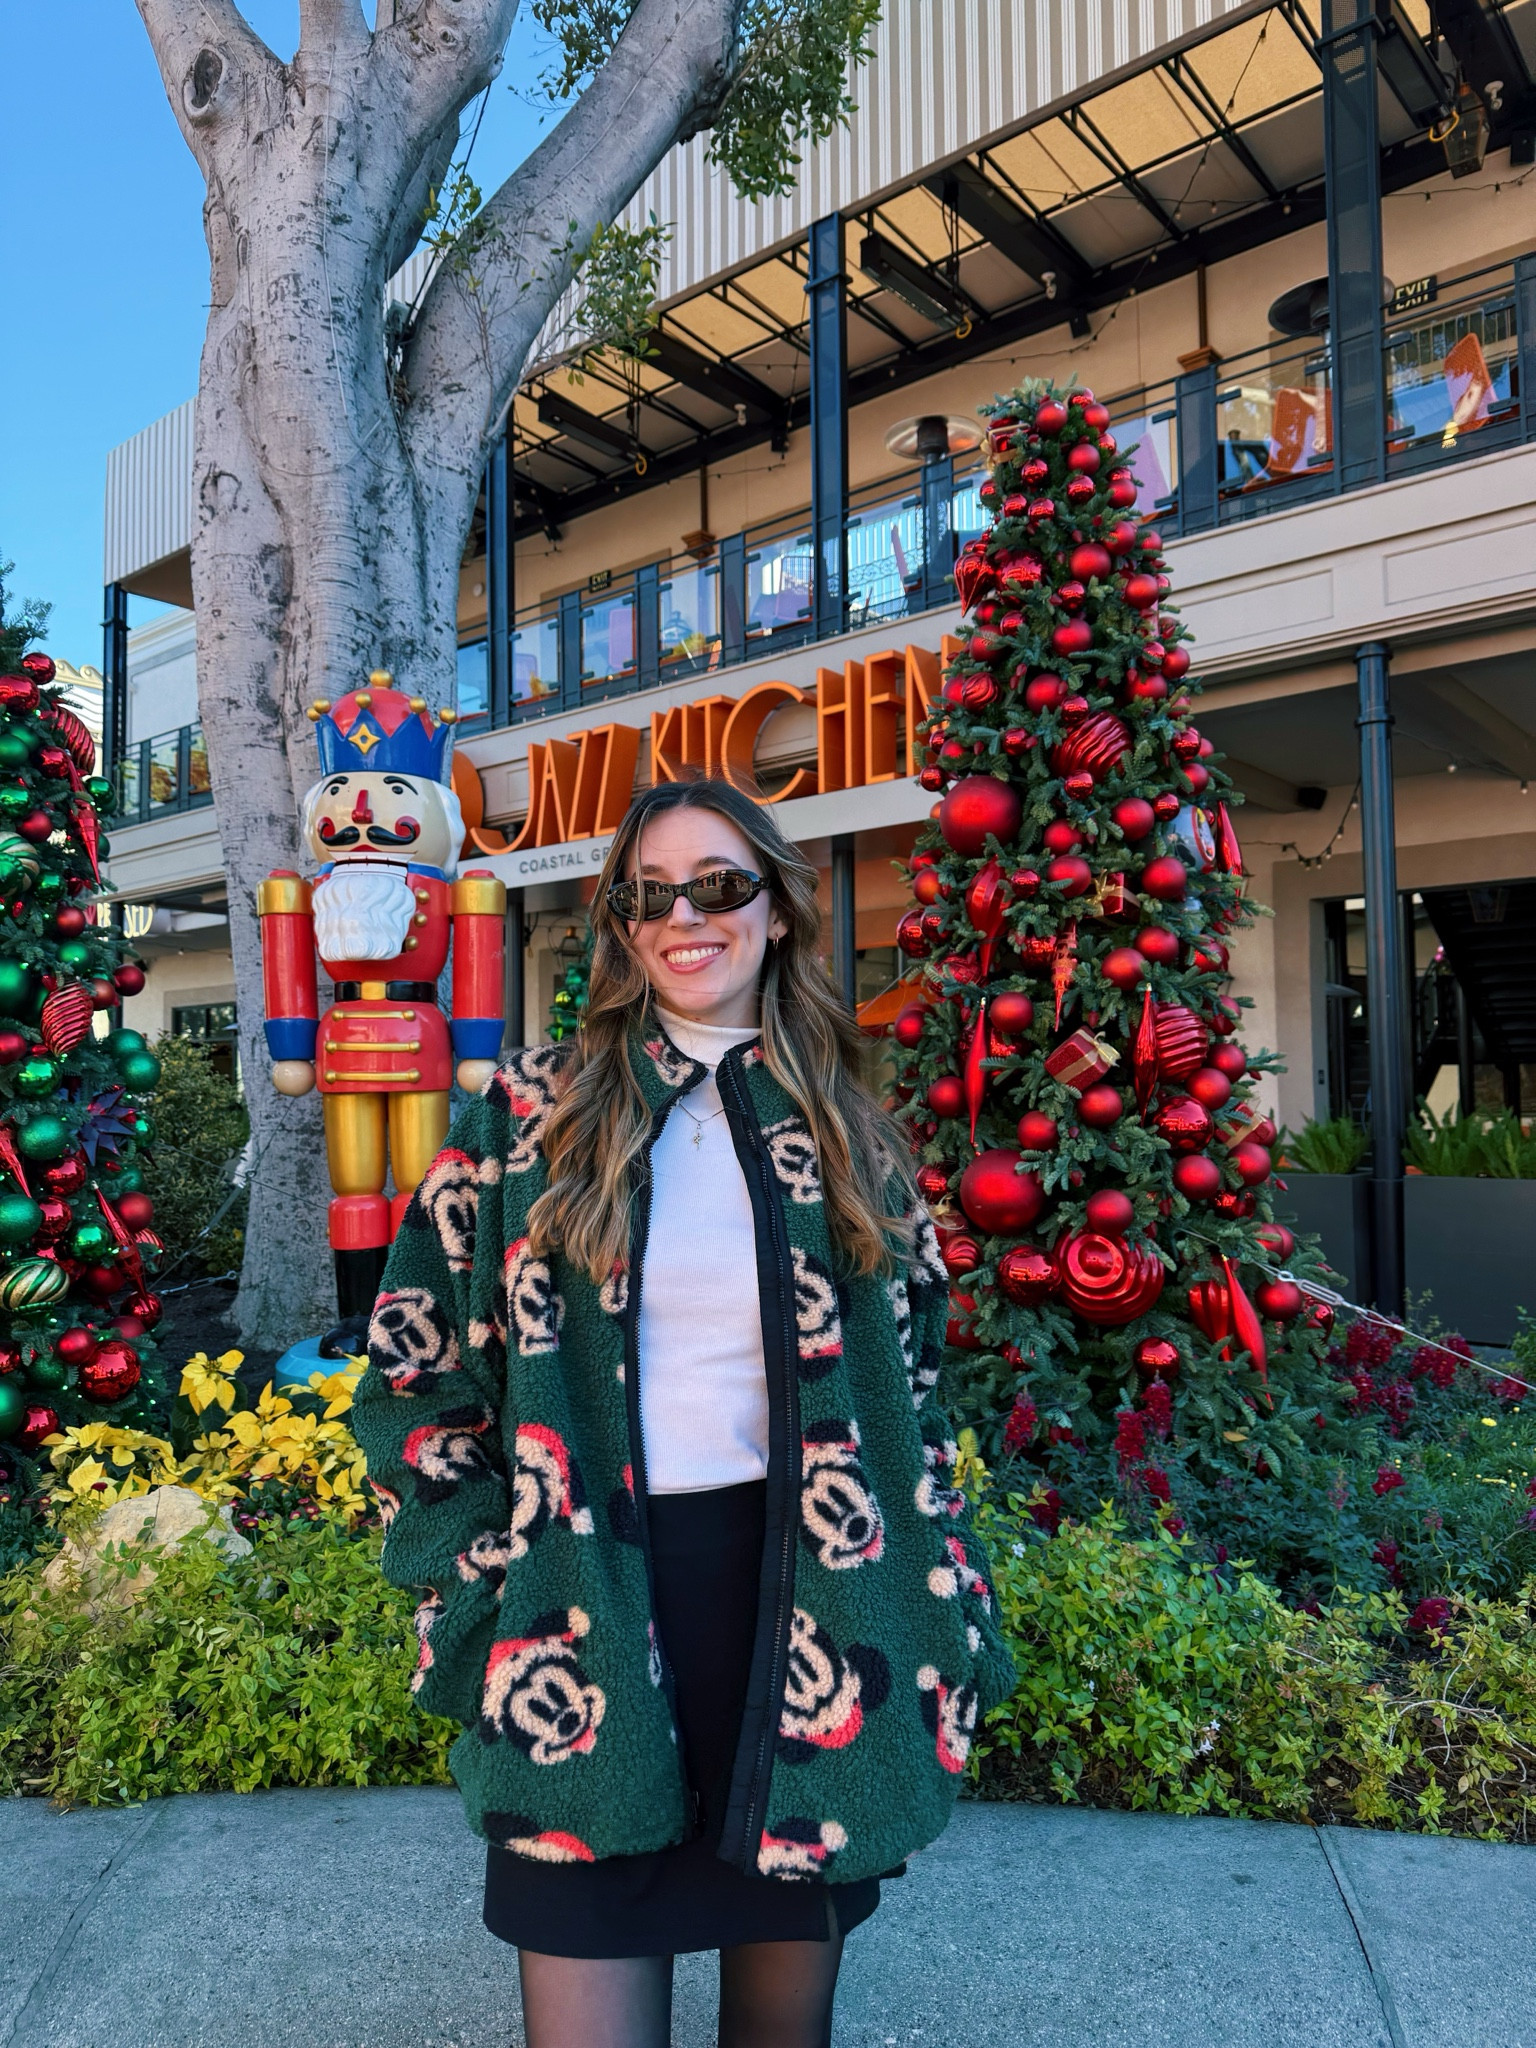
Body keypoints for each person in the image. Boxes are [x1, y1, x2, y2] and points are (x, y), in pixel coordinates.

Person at [352, 778, 1014, 2048]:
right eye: (646, 894)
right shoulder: (525, 1119)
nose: (683, 917)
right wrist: (485, 1581)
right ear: (618, 924)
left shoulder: (851, 1130)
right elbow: (410, 1368)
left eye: (717, 884)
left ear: (776, 909)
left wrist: (942, 1578)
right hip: (581, 1610)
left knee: (782, 2033)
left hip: (811, 1617)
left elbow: (918, 1389)